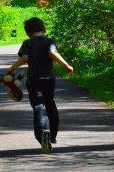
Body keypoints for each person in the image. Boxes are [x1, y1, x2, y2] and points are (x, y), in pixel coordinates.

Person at [5, 17, 73, 154]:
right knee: (50, 104)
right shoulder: (49, 41)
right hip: (49, 79)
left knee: (38, 106)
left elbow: (25, 58)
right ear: (44, 29)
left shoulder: (28, 43)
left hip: (34, 80)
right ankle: (52, 135)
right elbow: (52, 53)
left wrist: (11, 69)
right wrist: (66, 65)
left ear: (28, 33)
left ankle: (43, 134)